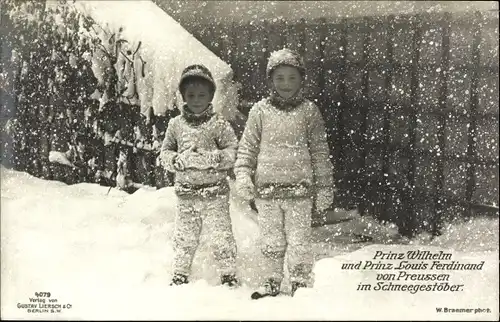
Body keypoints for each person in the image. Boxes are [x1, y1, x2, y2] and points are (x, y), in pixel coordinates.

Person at [234, 48, 334, 298]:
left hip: (300, 192)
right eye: (279, 78)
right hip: (266, 192)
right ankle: (271, 279)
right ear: (270, 81)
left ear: (302, 79)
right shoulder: (260, 111)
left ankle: (300, 280)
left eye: (292, 78)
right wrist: (244, 175)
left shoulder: (309, 111)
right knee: (271, 240)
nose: (286, 84)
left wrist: (324, 187)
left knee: (300, 240)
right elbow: (247, 148)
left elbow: (320, 152)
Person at [160, 64, 239, 287]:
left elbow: (233, 150)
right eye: (191, 95)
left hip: (215, 193)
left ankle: (228, 273)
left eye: (201, 95)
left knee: (221, 235)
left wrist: (216, 158)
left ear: (211, 96)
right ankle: (180, 272)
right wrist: (176, 161)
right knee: (184, 236)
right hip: (186, 194)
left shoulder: (219, 124)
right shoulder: (175, 125)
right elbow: (165, 152)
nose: (196, 100)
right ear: (183, 96)